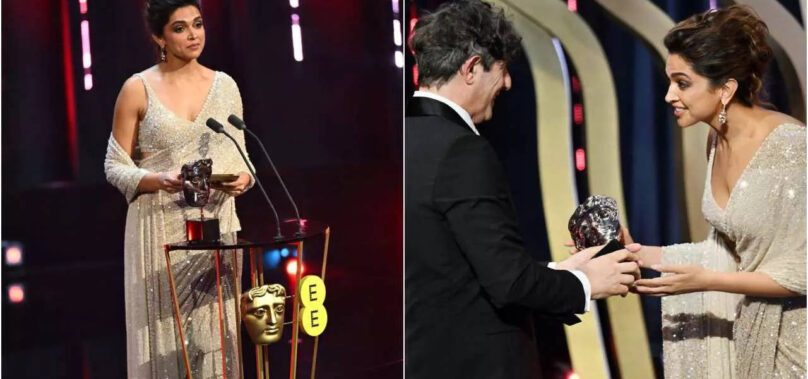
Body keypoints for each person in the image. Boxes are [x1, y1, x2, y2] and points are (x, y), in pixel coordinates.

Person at [405, 1, 641, 378]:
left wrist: (561, 270)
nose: (509, 83)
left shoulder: (400, 140)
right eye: (502, 70)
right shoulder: (461, 149)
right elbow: (509, 284)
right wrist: (587, 283)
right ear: (471, 69)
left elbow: (465, 271)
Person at [628, 5, 805, 378]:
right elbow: (727, 253)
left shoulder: (790, 148)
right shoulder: (715, 140)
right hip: (748, 336)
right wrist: (643, 254)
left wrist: (708, 282)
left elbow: (803, 271)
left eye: (682, 82)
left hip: (795, 347)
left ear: (725, 89)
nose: (669, 96)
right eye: (669, 81)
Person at [103, 0, 254, 377]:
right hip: (160, 227)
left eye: (198, 24)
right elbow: (114, 166)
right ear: (159, 37)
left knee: (214, 342)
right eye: (180, 28)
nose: (193, 35)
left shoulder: (225, 86)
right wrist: (157, 179)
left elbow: (243, 158)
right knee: (166, 343)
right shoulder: (137, 89)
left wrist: (244, 178)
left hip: (215, 227)